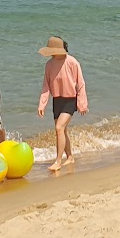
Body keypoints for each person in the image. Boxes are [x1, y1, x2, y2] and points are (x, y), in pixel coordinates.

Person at [37, 36, 87, 173]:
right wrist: (42, 104)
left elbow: (81, 83)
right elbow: (46, 86)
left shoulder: (72, 62)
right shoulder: (49, 65)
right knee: (62, 131)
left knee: (59, 128)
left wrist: (82, 103)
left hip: (70, 100)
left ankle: (58, 161)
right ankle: (70, 157)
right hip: (57, 100)